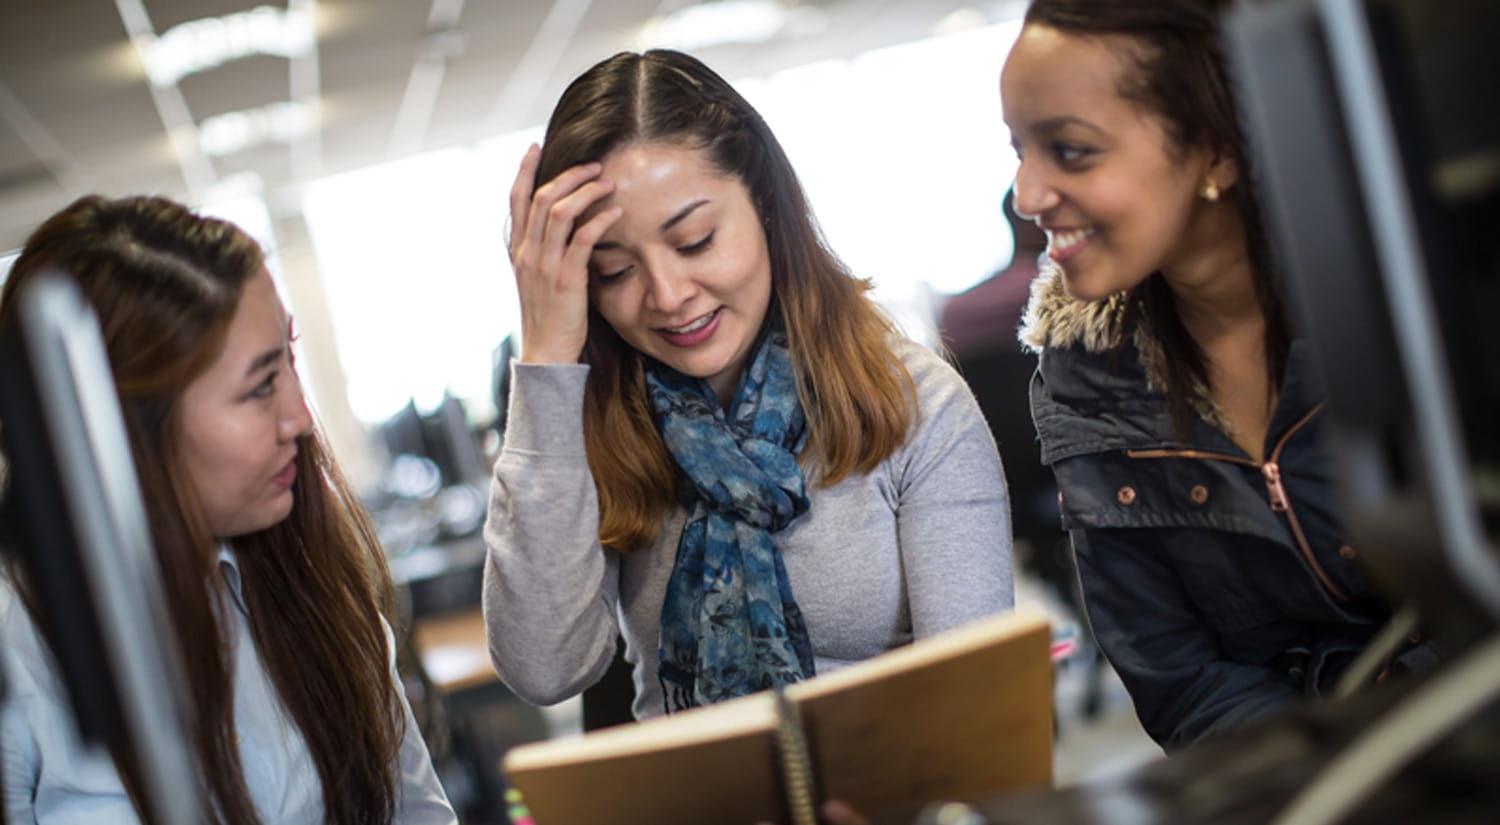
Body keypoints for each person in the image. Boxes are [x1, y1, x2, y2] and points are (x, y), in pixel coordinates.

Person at [483, 49, 1014, 725]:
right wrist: (548, 366)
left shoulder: (913, 405)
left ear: (766, 205)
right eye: (615, 271)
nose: (669, 296)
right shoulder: (602, 426)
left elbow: (976, 711)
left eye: (696, 240)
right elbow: (545, 668)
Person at [1003, 0, 1437, 751]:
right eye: (1019, 149)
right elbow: (1182, 680)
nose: (1027, 194)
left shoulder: (1405, 298)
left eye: (1069, 151)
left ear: (1215, 150)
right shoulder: (1083, 377)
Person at [0, 195, 457, 824]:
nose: (299, 417)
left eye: (289, 361)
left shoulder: (307, 580)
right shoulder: (18, 649)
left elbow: (417, 814)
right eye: (260, 385)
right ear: (121, 430)